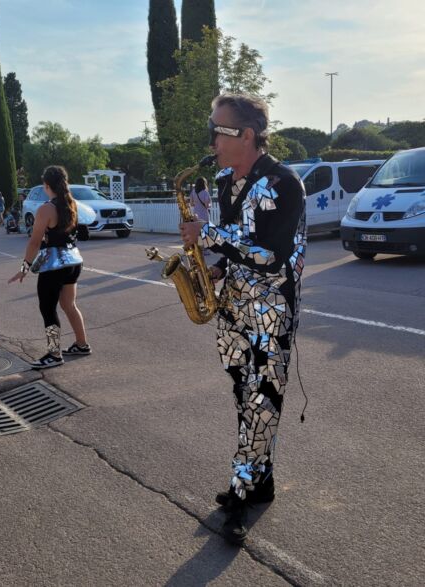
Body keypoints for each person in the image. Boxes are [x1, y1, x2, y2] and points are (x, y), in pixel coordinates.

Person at [179, 94, 306, 544]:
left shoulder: (285, 184)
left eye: (218, 130)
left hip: (271, 312)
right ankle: (262, 482)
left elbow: (272, 257)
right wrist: (211, 269)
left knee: (262, 403)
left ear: (246, 135)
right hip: (232, 308)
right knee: (243, 398)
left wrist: (207, 233)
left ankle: (240, 489)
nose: (211, 138)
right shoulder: (224, 181)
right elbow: (238, 251)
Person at [8, 165, 91, 369]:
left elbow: (34, 242)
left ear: (46, 185)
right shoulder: (72, 204)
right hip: (73, 262)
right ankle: (82, 344)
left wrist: (24, 268)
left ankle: (54, 354)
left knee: (48, 309)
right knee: (69, 305)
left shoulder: (46, 209)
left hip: (53, 266)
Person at [189, 177, 212, 254]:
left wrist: (197, 204)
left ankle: (199, 249)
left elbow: (191, 203)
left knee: (198, 232)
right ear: (204, 184)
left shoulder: (193, 192)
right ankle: (205, 249)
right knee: (205, 231)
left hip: (196, 214)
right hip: (204, 214)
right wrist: (210, 204)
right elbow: (207, 205)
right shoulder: (205, 193)